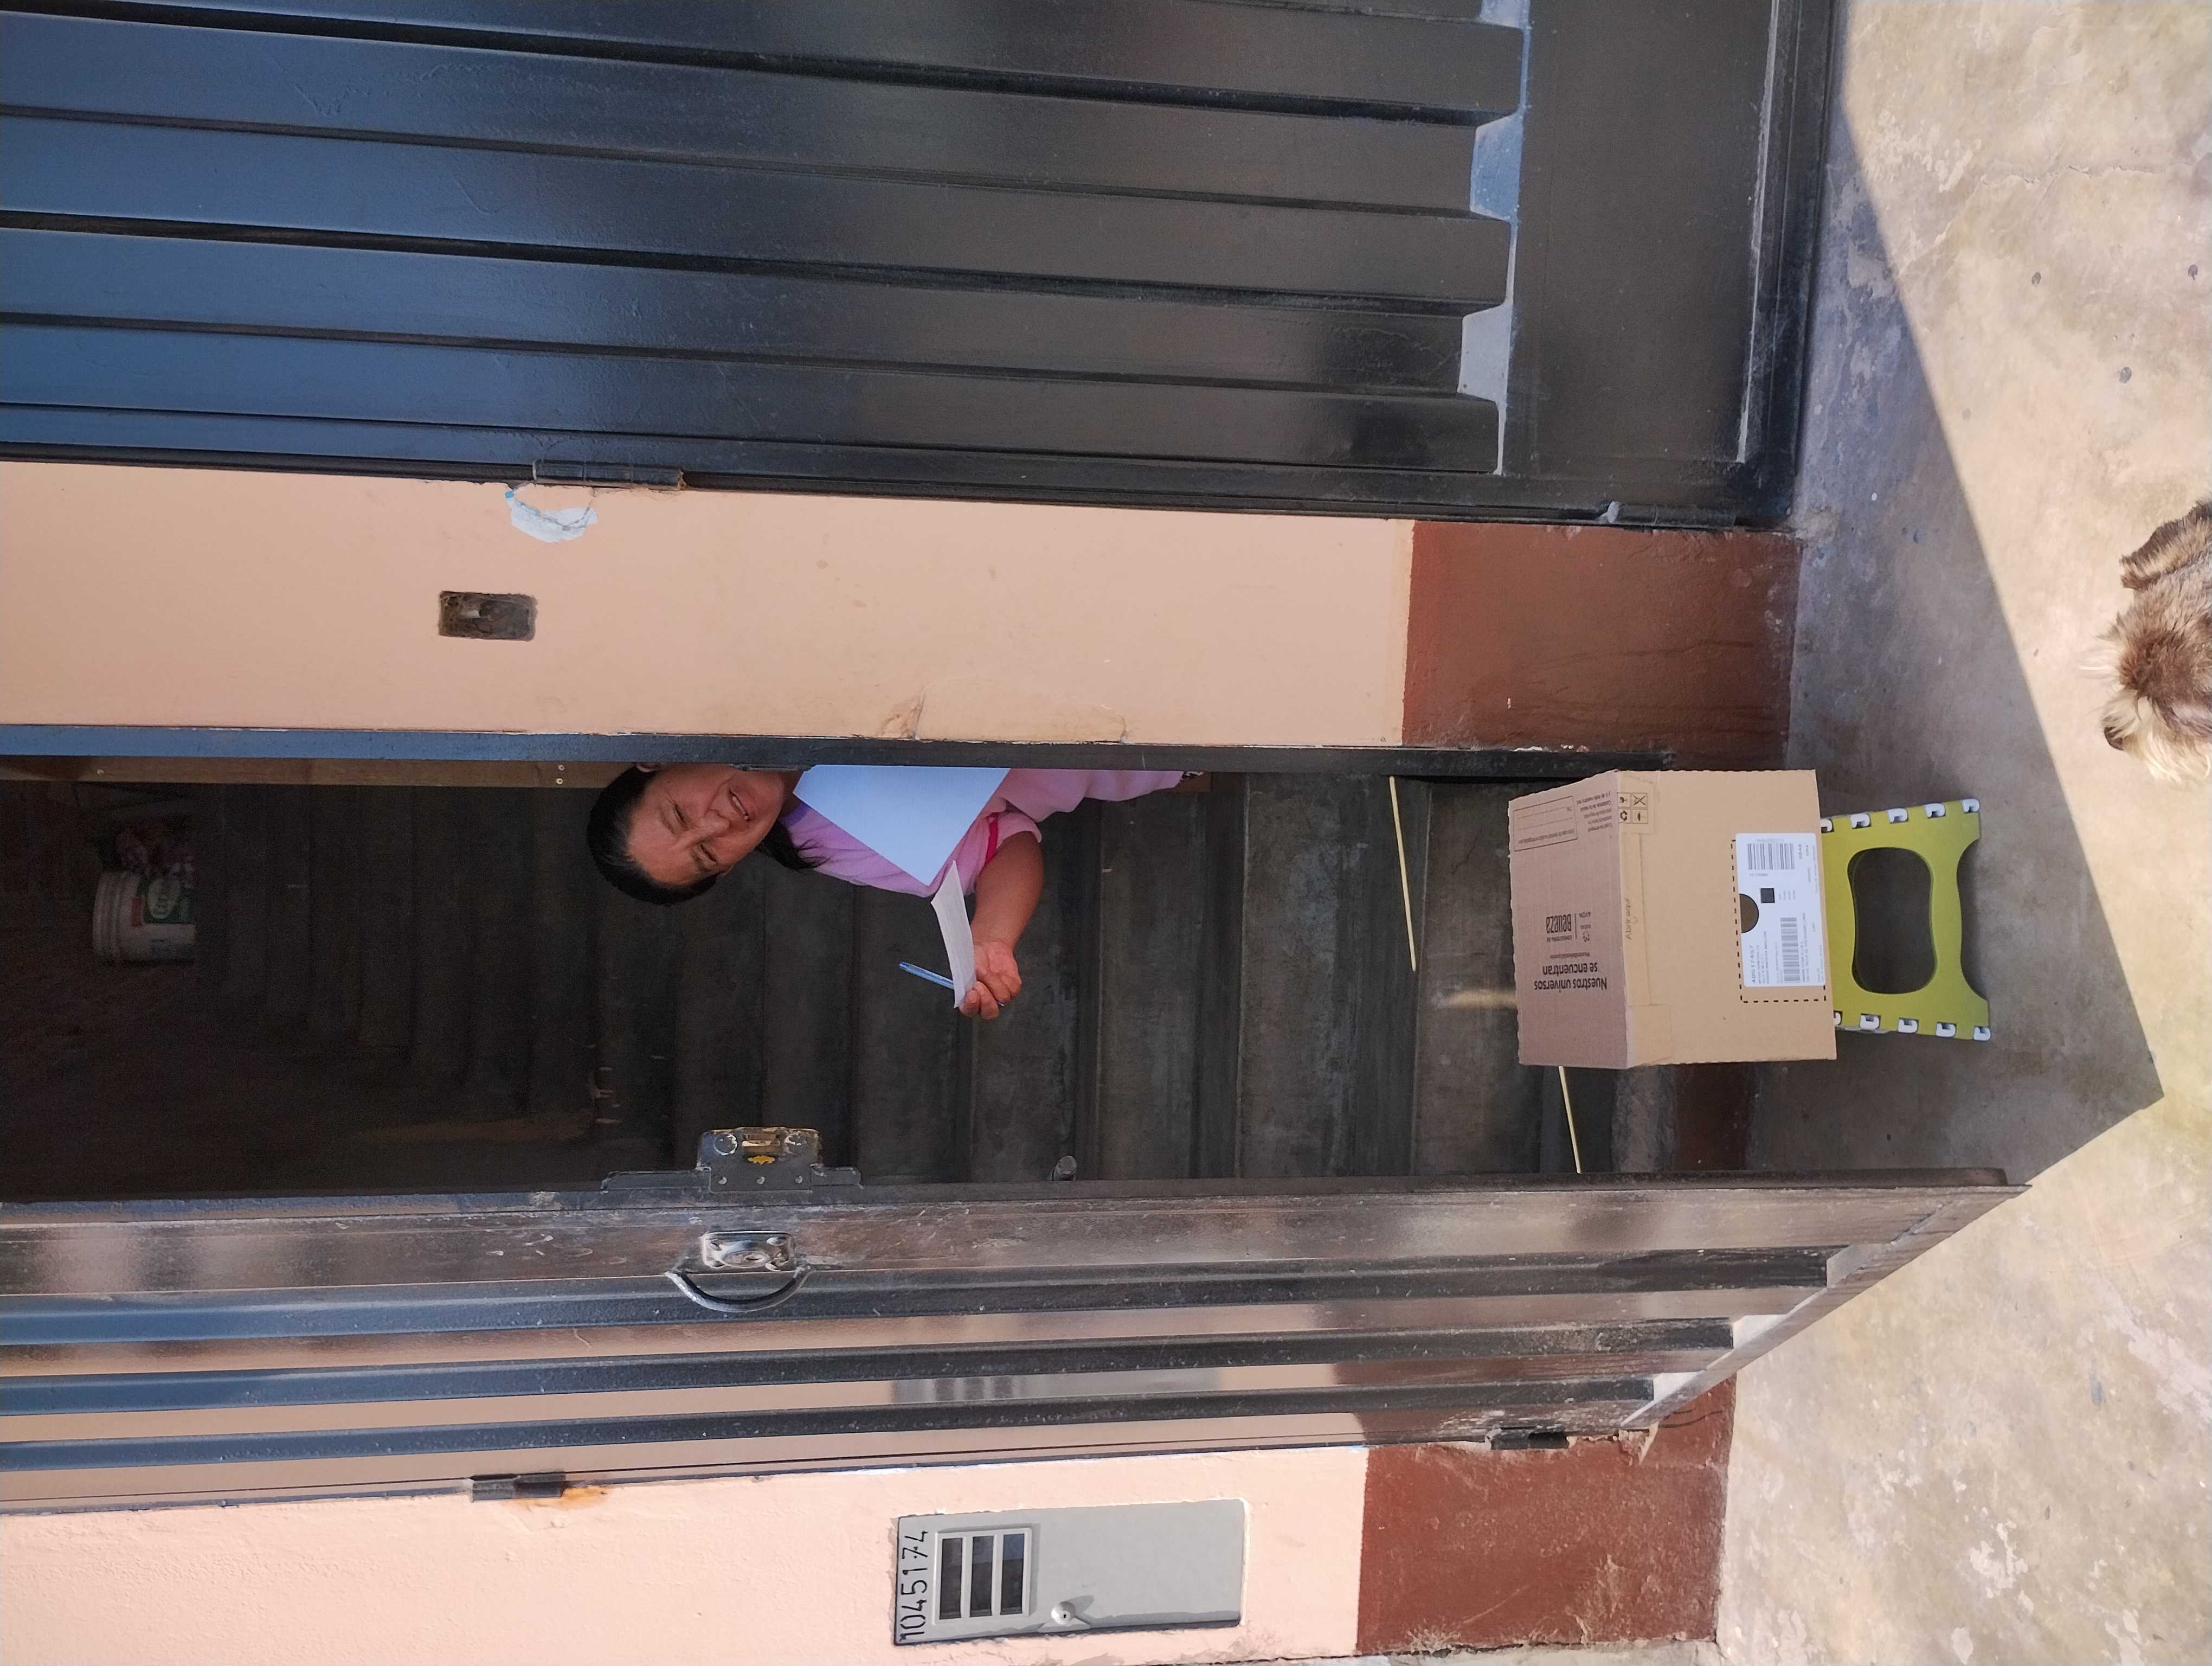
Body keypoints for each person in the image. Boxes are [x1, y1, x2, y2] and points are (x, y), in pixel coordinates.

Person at [586, 766, 1185, 1020]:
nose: (716, 824)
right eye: (707, 855)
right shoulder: (830, 843)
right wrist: (993, 937)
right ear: (730, 869)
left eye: (678, 814)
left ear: (656, 763)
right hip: (1141, 741)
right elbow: (1009, 844)